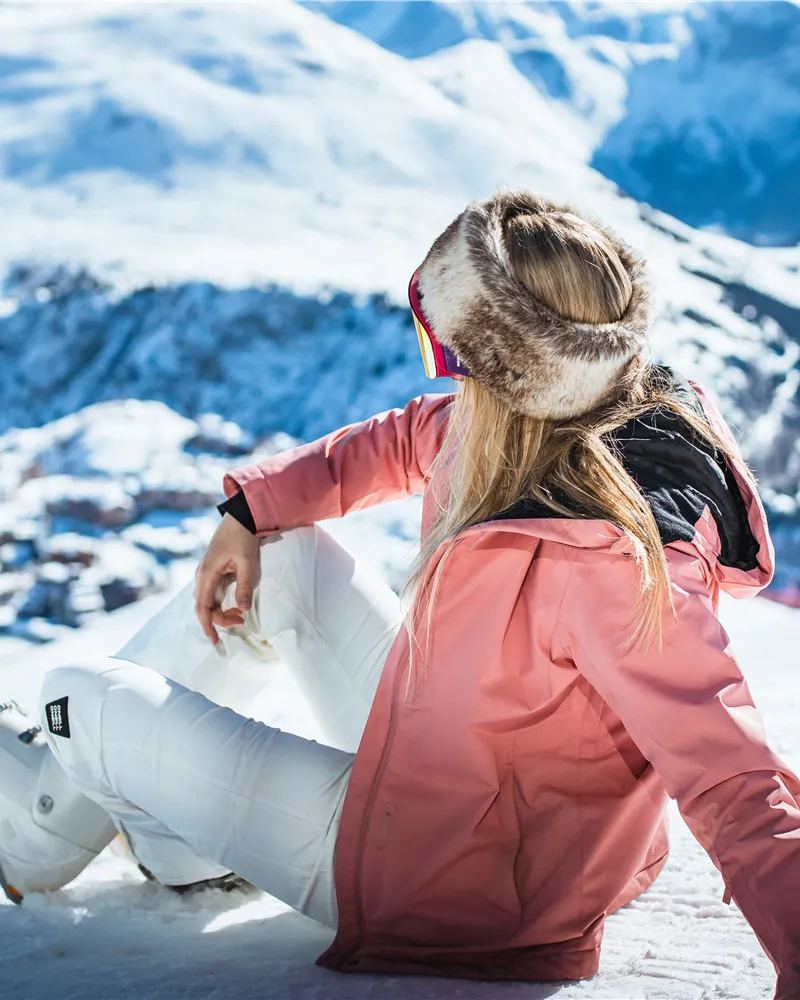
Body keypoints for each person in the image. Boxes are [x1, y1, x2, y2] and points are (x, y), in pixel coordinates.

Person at [0, 190, 797, 997]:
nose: (440, 368)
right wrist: (249, 510)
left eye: (444, 346)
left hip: (455, 881)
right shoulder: (542, 423)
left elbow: (733, 776)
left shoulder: (609, 562)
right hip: (463, 773)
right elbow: (400, 439)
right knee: (284, 557)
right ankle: (174, 849)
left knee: (78, 694)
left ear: (510, 370)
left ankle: (39, 828)